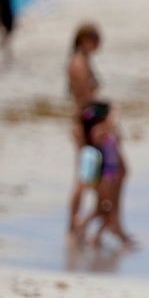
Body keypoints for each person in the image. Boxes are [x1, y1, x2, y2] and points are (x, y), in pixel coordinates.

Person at [65, 23, 104, 240]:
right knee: (83, 177)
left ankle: (76, 224)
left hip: (84, 122)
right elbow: (85, 99)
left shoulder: (82, 61)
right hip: (84, 124)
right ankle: (73, 225)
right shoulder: (78, 63)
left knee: (86, 176)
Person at [80, 103, 135, 249]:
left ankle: (95, 235)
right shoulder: (98, 131)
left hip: (111, 174)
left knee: (104, 209)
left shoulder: (110, 131)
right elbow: (99, 146)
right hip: (104, 176)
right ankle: (118, 235)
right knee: (107, 208)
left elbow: (118, 143)